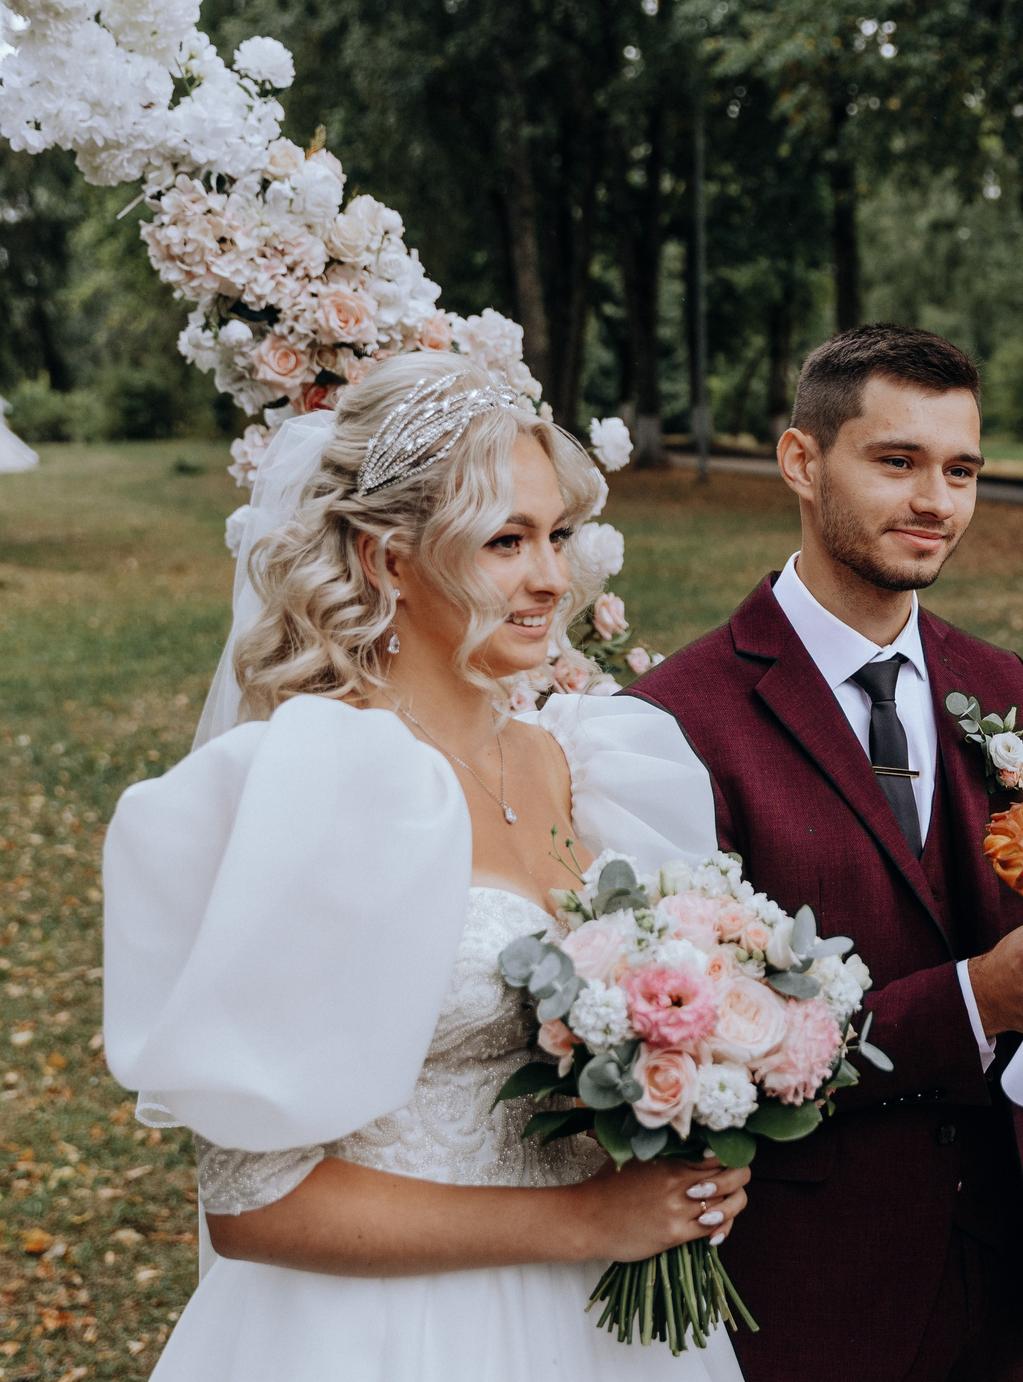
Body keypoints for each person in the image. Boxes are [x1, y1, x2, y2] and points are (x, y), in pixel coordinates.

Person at [101, 355, 750, 1382]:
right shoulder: (321, 785)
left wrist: (683, 1131)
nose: (551, 578)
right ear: (386, 559)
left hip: (605, 1331)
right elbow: (252, 1204)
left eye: (557, 536)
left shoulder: (584, 762)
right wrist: (583, 1221)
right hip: (385, 1338)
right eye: (505, 542)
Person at [631, 326, 1023, 1382]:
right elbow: (702, 1044)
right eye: (896, 462)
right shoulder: (677, 717)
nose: (936, 502)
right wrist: (972, 1001)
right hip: (810, 1278)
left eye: (960, 470)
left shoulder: (998, 683)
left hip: (1002, 1260)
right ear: (799, 461)